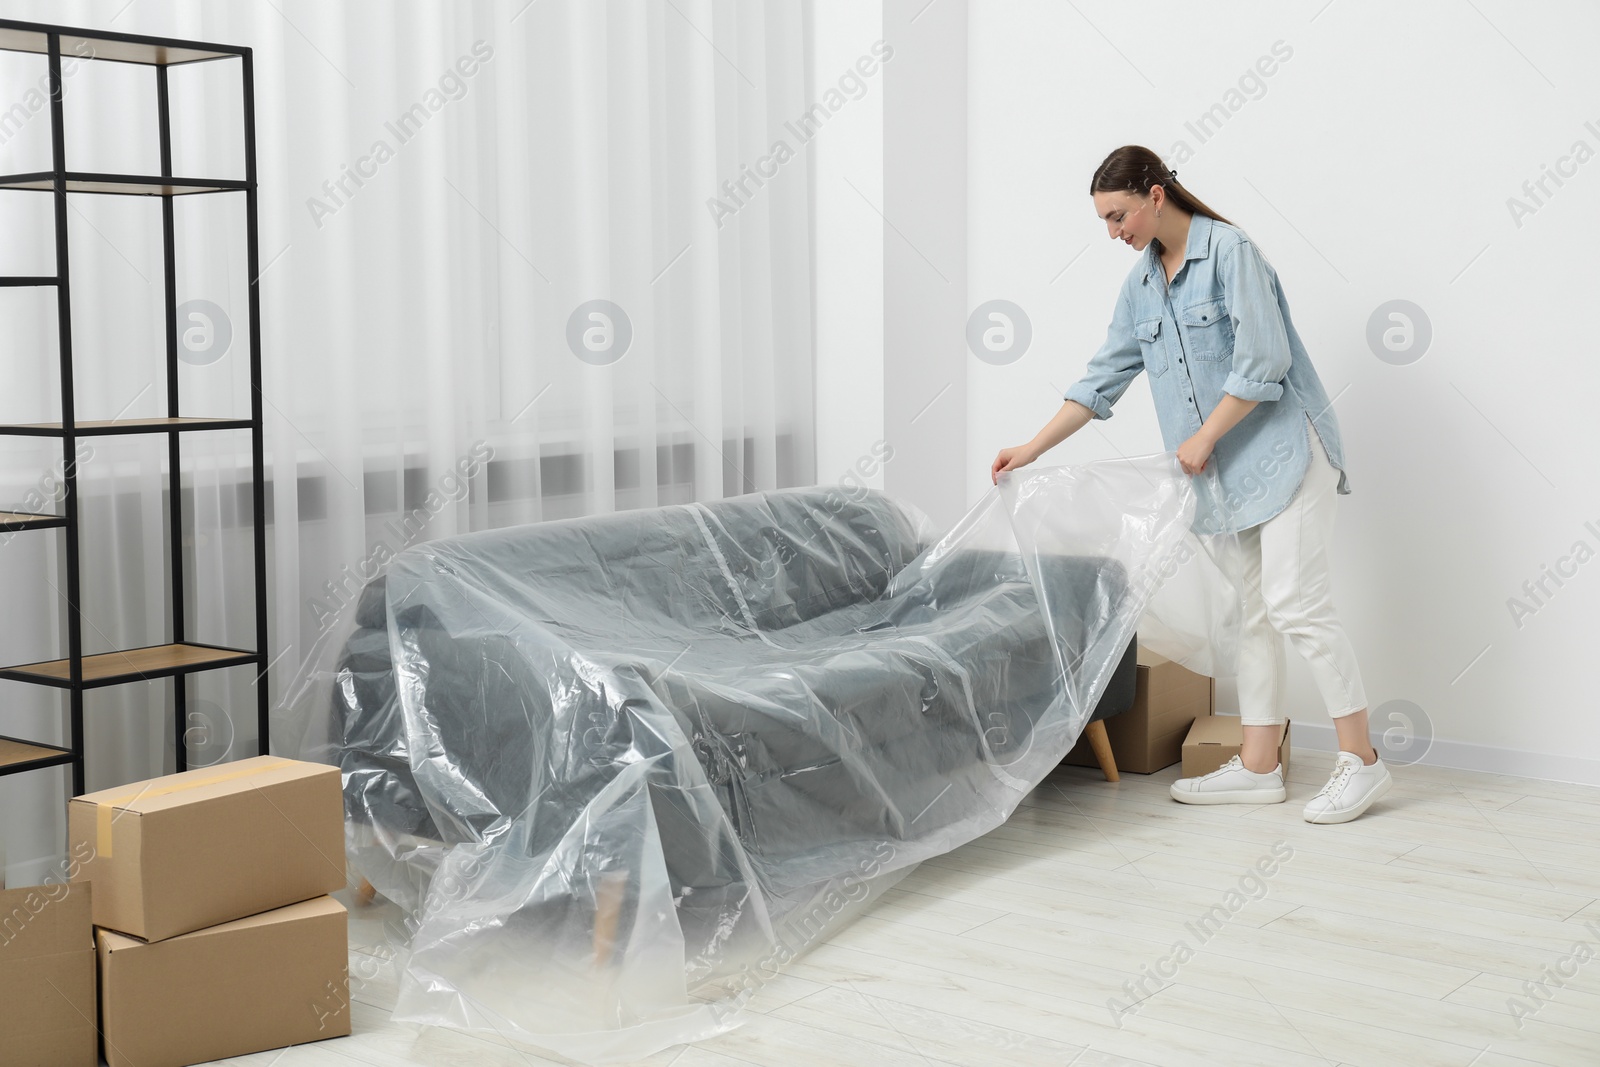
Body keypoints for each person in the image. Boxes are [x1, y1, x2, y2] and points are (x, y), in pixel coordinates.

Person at [990, 145, 1390, 824]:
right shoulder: (1141, 287)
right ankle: (1260, 765)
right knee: (1250, 613)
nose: (1114, 233)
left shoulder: (1231, 253)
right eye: (1105, 223)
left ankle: (1364, 762)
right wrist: (1030, 447)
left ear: (1154, 194)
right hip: (1226, 477)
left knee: (1295, 601)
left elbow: (1266, 362)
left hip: (1287, 450)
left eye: (1118, 216)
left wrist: (1205, 436)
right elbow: (1101, 378)